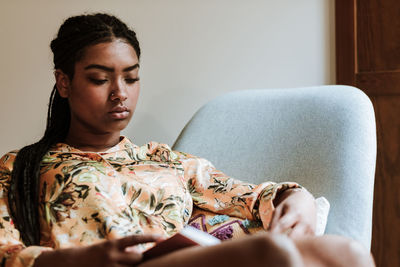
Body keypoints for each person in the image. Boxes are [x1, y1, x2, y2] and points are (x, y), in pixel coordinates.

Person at [0, 13, 374, 267]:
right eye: (100, 79)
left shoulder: (164, 160)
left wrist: (297, 199)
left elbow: (249, 196)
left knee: (345, 252)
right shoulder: (20, 167)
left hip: (184, 258)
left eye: (131, 78)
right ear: (64, 82)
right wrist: (76, 259)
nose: (120, 93)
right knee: (270, 251)